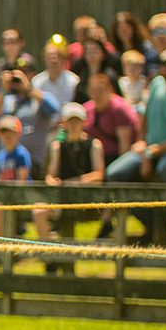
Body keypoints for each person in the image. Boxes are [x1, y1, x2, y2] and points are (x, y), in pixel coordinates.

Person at [105, 47, 166, 244]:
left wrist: (152, 152)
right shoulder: (156, 85)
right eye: (164, 65)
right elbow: (144, 118)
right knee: (115, 174)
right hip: (150, 148)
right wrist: (143, 142)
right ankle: (151, 223)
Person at [31, 102, 105, 244]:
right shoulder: (57, 146)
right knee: (38, 212)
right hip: (63, 197)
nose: (73, 125)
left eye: (77, 121)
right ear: (63, 123)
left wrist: (75, 181)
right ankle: (50, 254)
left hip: (87, 200)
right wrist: (53, 183)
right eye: (70, 121)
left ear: (84, 122)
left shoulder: (94, 145)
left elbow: (99, 175)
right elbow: (50, 176)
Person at [0, 67, 58, 177]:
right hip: (5, 162)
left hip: (32, 163)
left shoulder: (38, 98)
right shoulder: (7, 100)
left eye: (24, 74)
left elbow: (53, 108)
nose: (18, 80)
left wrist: (28, 88)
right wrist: (3, 91)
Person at [72, 35, 121, 103]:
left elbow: (118, 99)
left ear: (103, 54)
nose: (92, 55)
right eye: (89, 52)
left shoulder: (110, 75)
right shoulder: (83, 76)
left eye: (95, 51)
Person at [32, 41, 78, 108]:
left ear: (63, 59)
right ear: (44, 59)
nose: (54, 60)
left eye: (58, 57)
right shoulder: (37, 82)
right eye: (50, 57)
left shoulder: (74, 81)